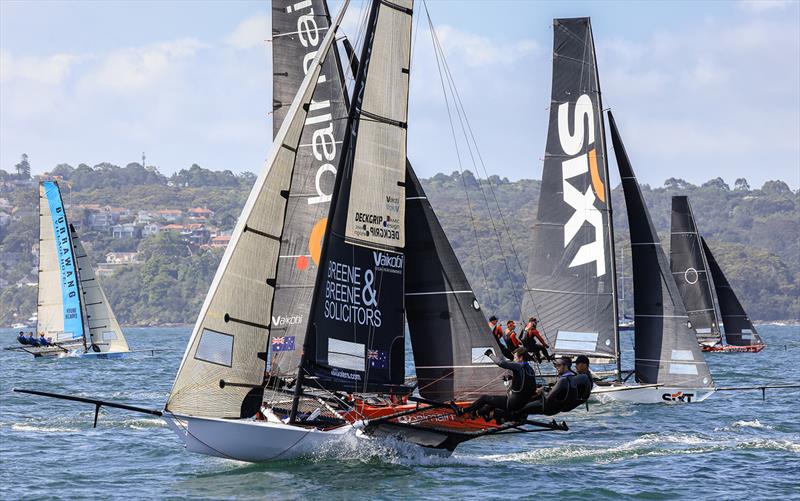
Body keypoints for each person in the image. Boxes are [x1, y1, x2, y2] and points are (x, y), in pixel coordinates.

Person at [455, 347, 537, 422]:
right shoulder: (530, 370)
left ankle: (462, 411)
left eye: (515, 357)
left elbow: (501, 363)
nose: (514, 359)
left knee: (485, 398)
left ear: (521, 358)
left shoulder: (519, 366)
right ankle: (480, 415)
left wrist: (490, 354)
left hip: (512, 403)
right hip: (521, 404)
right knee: (492, 401)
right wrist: (511, 378)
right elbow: (531, 386)